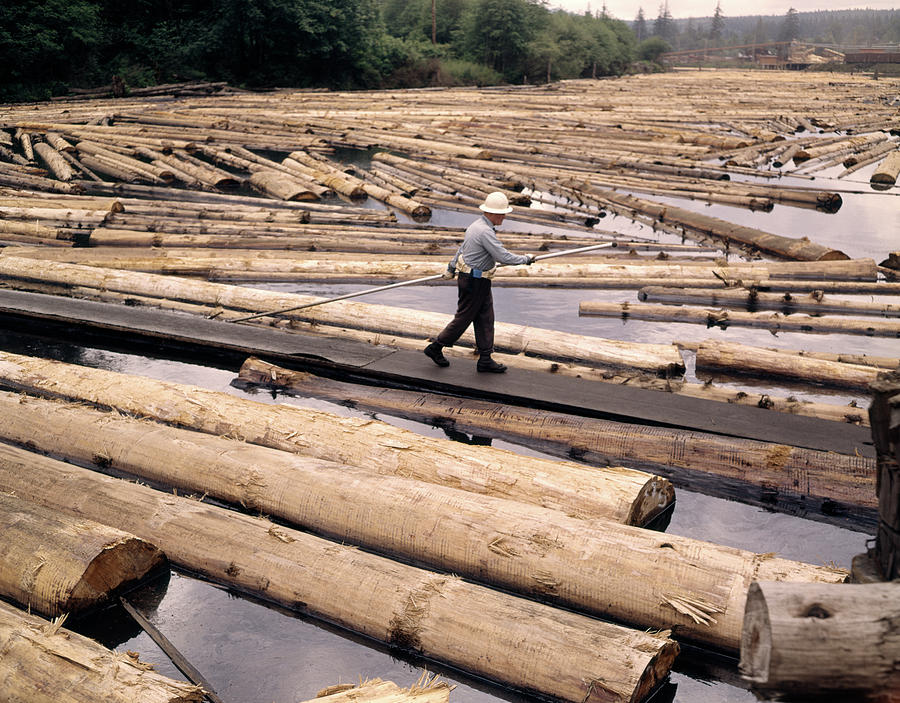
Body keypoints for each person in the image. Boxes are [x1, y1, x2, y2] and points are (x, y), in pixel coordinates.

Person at [423, 192, 533, 373]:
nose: (504, 216)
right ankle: (435, 347)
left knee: (485, 318)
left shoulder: (476, 226)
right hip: (474, 281)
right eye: (502, 213)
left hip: (478, 280)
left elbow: (461, 250)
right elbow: (502, 256)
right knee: (464, 317)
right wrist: (525, 259)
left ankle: (485, 358)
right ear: (492, 213)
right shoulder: (484, 232)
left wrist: (451, 268)